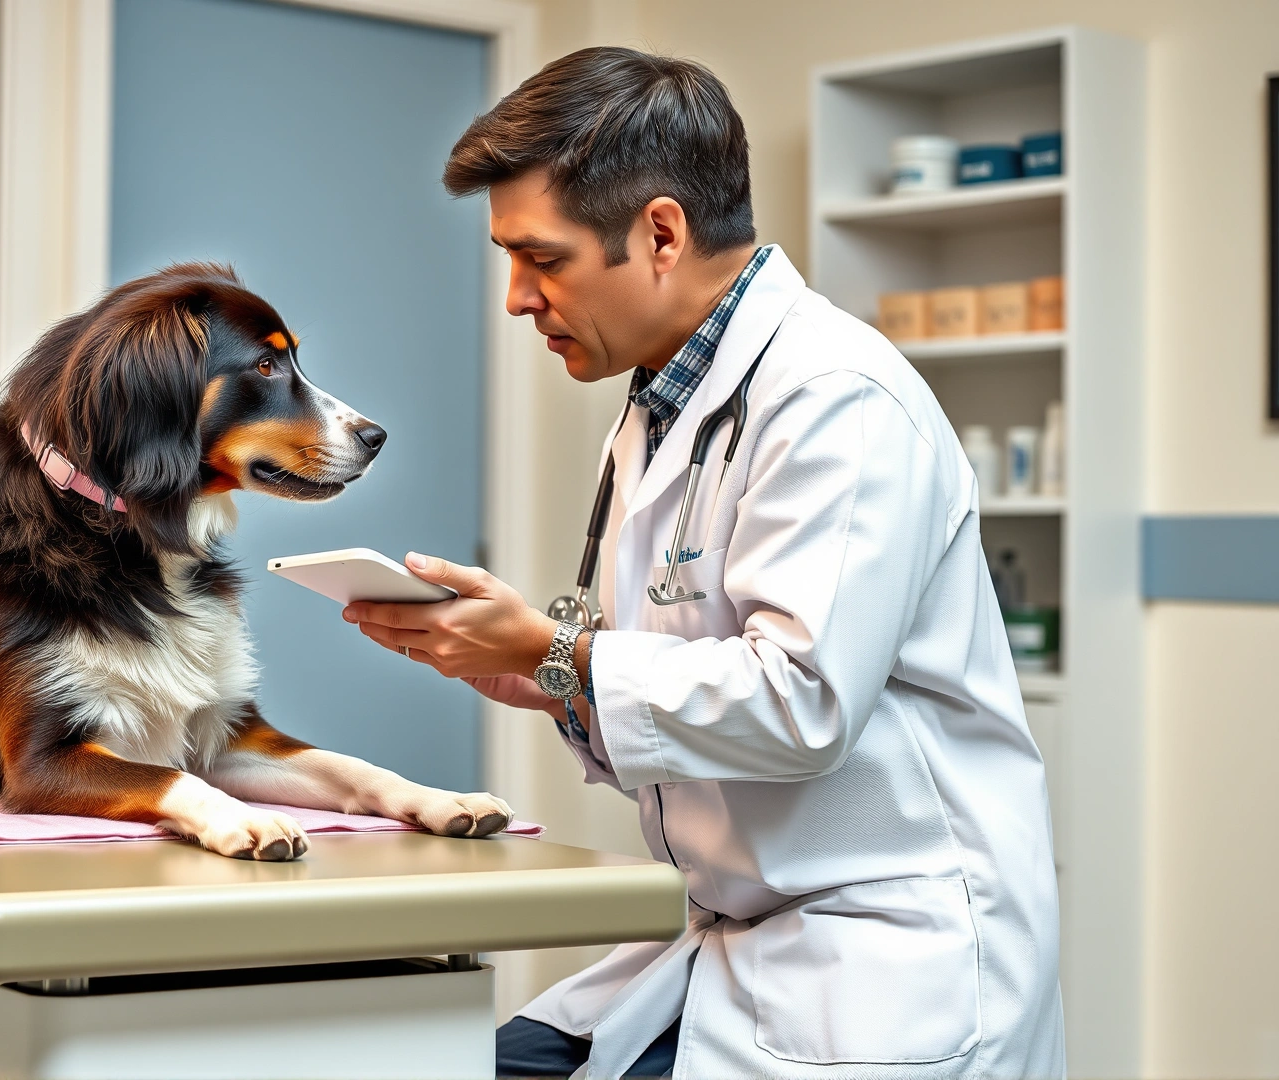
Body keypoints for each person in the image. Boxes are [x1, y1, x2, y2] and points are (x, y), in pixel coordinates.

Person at [342, 48, 1063, 1079]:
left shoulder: (838, 398)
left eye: (542, 259)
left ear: (661, 233)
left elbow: (800, 701)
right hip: (734, 935)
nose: (516, 298)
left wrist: (569, 653)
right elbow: (689, 679)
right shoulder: (665, 404)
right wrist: (546, 674)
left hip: (877, 951)